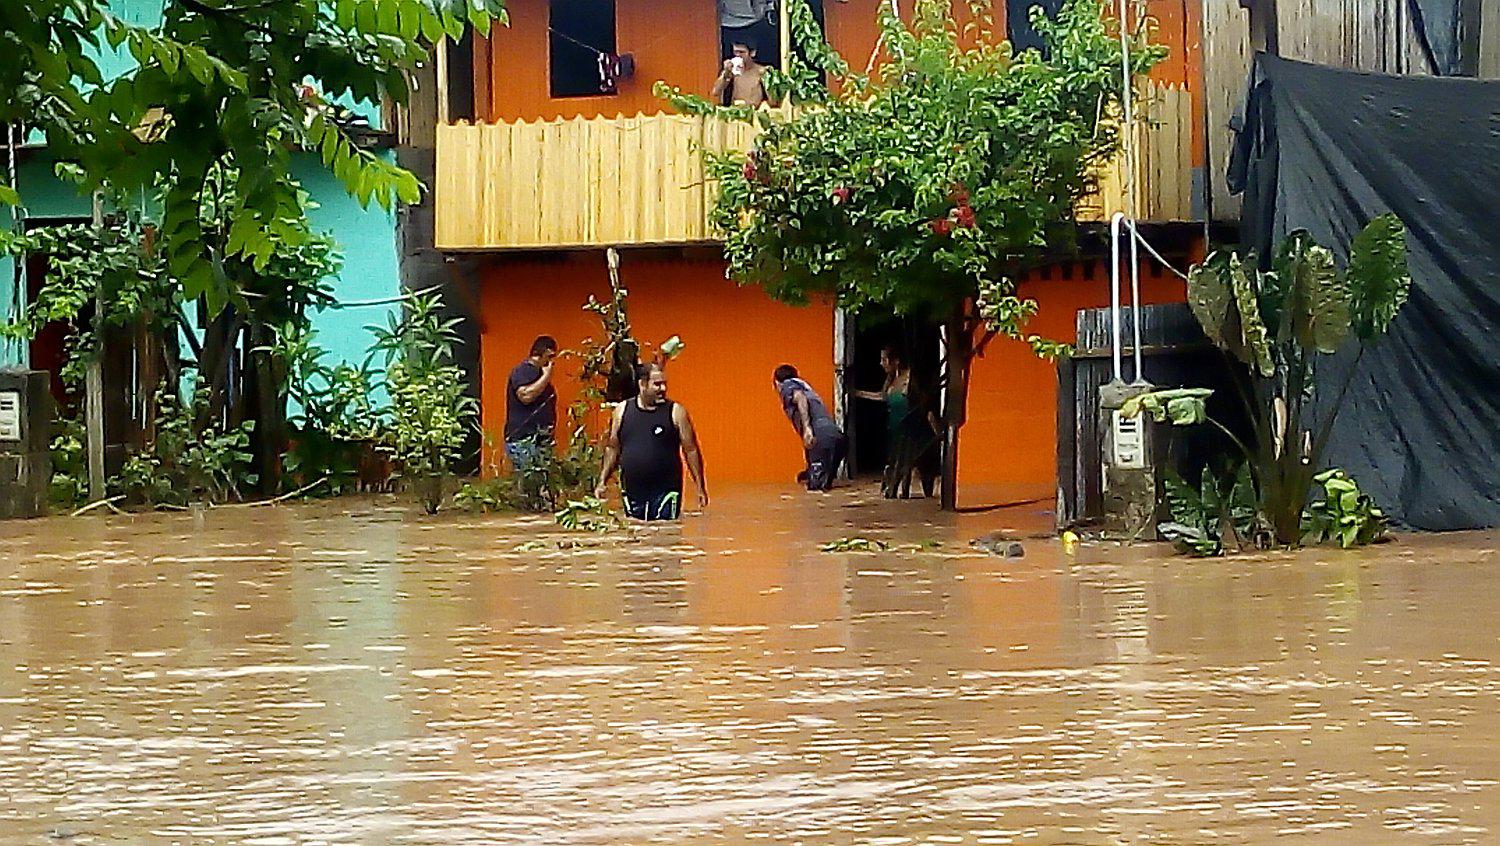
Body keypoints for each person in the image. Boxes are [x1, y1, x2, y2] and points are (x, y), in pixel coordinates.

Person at [595, 363, 710, 521]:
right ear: (642, 384)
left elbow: (691, 450)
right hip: (632, 490)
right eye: (657, 384)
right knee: (635, 535)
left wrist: (700, 487)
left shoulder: (676, 412)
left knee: (666, 534)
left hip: (666, 491)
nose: (663, 389)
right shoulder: (621, 411)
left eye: (664, 384)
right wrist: (602, 481)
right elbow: (612, 448)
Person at [853, 346, 939, 499]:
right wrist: (858, 393)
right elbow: (882, 396)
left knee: (921, 472)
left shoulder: (910, 379)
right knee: (898, 470)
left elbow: (925, 406)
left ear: (896, 361)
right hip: (896, 433)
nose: (881, 363)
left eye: (884, 359)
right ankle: (898, 494)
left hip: (914, 433)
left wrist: (937, 432)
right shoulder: (891, 380)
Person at [773, 364, 847, 491]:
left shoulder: (787, 385)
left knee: (816, 489)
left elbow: (800, 398)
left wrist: (807, 428)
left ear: (776, 382)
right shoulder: (805, 386)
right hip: (838, 438)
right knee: (823, 484)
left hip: (821, 438)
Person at [504, 335, 559, 474]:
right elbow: (525, 396)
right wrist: (546, 376)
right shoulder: (523, 371)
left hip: (541, 440)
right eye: (550, 357)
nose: (551, 362)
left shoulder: (540, 375)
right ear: (542, 354)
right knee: (528, 482)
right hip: (524, 439)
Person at [711, 40, 774, 108]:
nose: (738, 55)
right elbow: (715, 92)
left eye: (741, 52)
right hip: (736, 111)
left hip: (755, 112)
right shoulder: (732, 70)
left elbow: (773, 101)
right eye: (735, 52)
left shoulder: (761, 71)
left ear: (752, 53)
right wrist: (726, 73)